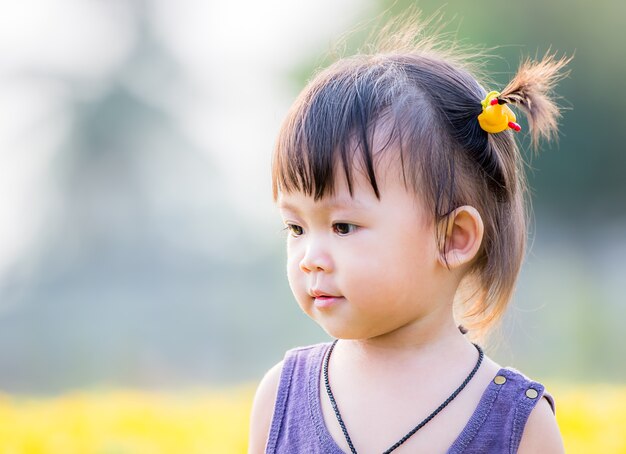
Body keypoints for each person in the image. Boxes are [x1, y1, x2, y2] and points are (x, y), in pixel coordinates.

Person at [249, 11, 571, 454]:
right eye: (296, 226)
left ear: (453, 238)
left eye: (343, 226)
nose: (309, 256)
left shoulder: (518, 426)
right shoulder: (280, 401)